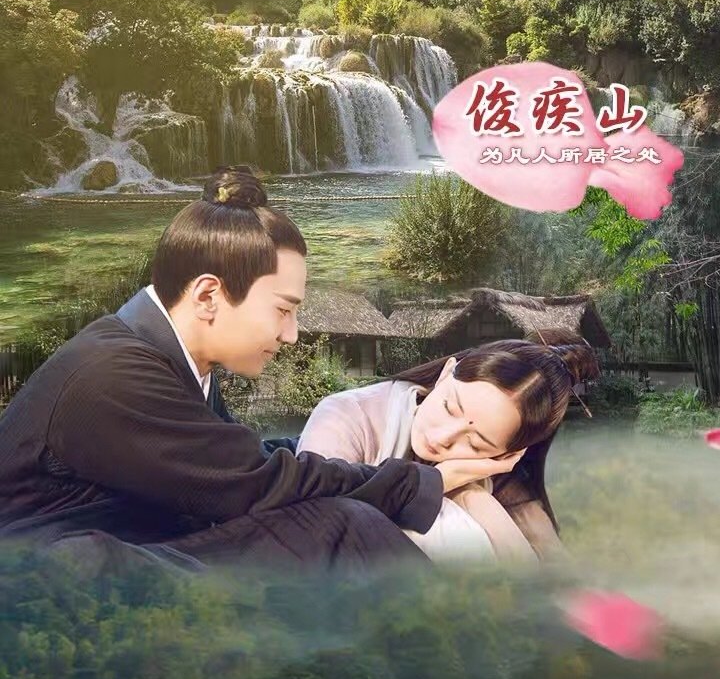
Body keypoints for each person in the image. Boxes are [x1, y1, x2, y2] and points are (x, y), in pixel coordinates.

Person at [0, 180, 444, 564]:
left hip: (119, 555)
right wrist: (416, 483)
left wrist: (384, 449)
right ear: (208, 296)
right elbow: (255, 483)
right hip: (47, 590)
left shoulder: (176, 359)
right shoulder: (113, 374)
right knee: (342, 528)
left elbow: (238, 459)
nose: (291, 335)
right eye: (282, 310)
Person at [300, 305, 595, 557]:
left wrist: (476, 497)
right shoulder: (347, 416)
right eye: (449, 407)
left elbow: (552, 566)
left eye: (476, 444)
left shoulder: (501, 475)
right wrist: (446, 481)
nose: (442, 438)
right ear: (444, 375)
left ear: (509, 454)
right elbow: (312, 526)